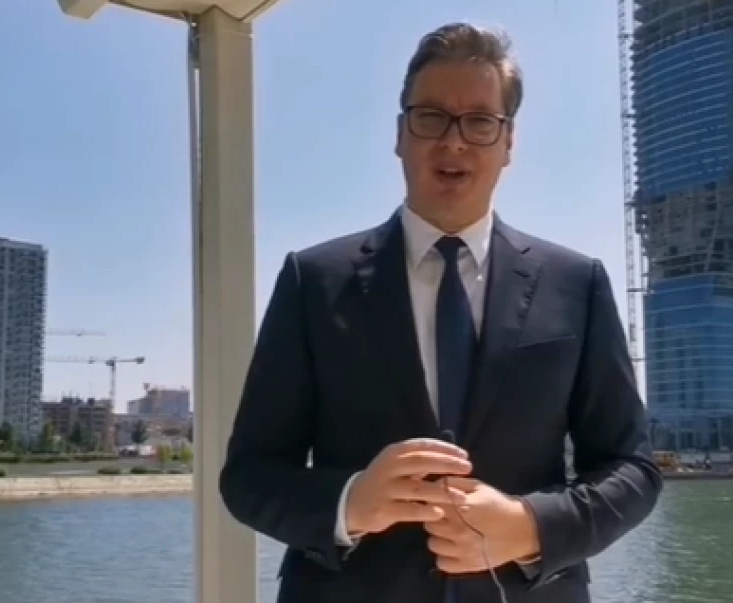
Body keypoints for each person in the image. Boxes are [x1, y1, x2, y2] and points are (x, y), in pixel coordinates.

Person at [220, 22, 662, 603]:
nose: (454, 142)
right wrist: (350, 504)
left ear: (508, 143)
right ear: (399, 134)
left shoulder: (578, 284)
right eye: (430, 117)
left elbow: (632, 468)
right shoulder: (312, 280)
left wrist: (530, 527)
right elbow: (249, 476)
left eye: (480, 121)